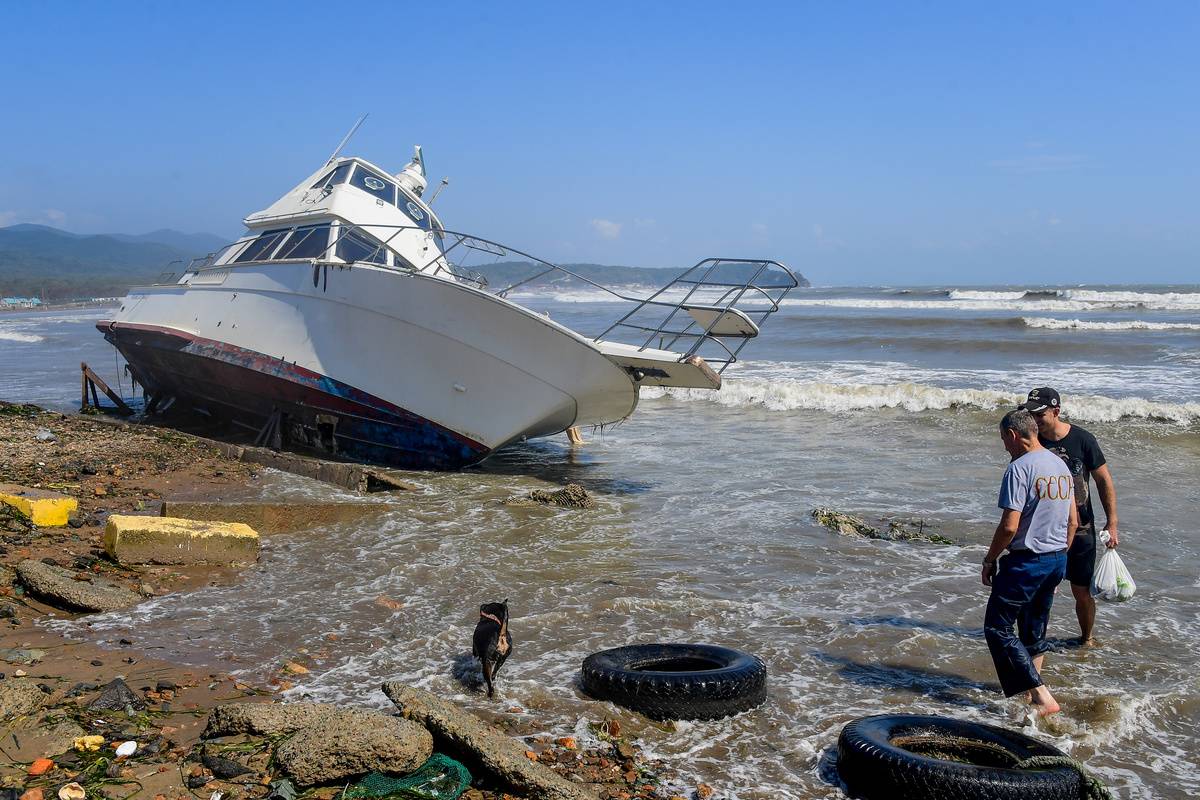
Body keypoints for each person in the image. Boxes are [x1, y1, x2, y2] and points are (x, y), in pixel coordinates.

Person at [982, 409, 1078, 716]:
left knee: (997, 627)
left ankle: (1040, 695)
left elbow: (1009, 526)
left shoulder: (1019, 468)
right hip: (1056, 559)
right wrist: (1059, 557)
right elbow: (1073, 521)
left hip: (1028, 562)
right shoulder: (1060, 465)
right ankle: (1032, 698)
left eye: (1003, 440)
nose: (1004, 446)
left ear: (1012, 435)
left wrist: (990, 558)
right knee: (1033, 633)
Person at [1020, 387, 1119, 645]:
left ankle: (1086, 639)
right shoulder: (1031, 441)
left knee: (1081, 591)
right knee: (1040, 590)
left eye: (1039, 414)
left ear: (1056, 411)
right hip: (1043, 529)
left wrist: (1113, 522)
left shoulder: (1083, 440)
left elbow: (1103, 481)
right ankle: (1034, 642)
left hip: (1082, 528)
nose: (1035, 420)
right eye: (1031, 415)